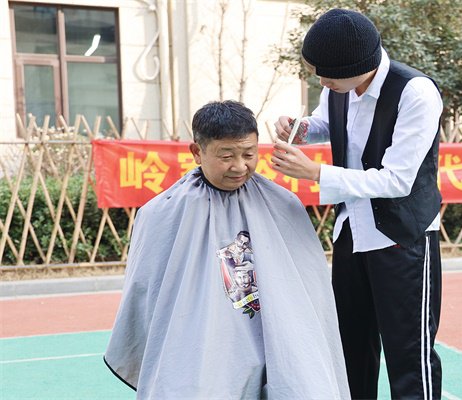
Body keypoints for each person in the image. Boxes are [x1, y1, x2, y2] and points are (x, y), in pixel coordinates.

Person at [104, 100, 350, 399]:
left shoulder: (283, 204)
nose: (240, 166)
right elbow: (147, 293)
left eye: (249, 154)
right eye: (226, 156)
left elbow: (309, 291)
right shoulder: (162, 213)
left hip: (275, 335)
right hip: (202, 342)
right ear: (197, 152)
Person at [271, 9, 444, 399]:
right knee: (350, 347)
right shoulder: (339, 86)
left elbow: (397, 180)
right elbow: (328, 124)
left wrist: (316, 173)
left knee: (408, 355)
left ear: (360, 67)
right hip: (351, 230)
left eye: (328, 75)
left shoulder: (415, 92)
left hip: (402, 235)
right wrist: (300, 128)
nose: (322, 81)